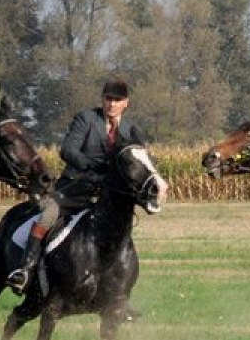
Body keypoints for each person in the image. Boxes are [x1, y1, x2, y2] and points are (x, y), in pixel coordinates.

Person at [8, 79, 147, 295]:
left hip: (107, 196)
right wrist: (93, 166)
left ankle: (119, 286)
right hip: (75, 189)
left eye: (117, 100)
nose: (112, 104)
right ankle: (25, 269)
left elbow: (138, 162)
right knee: (48, 215)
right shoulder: (86, 118)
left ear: (126, 103)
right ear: (102, 99)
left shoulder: (131, 130)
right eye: (108, 99)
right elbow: (68, 150)